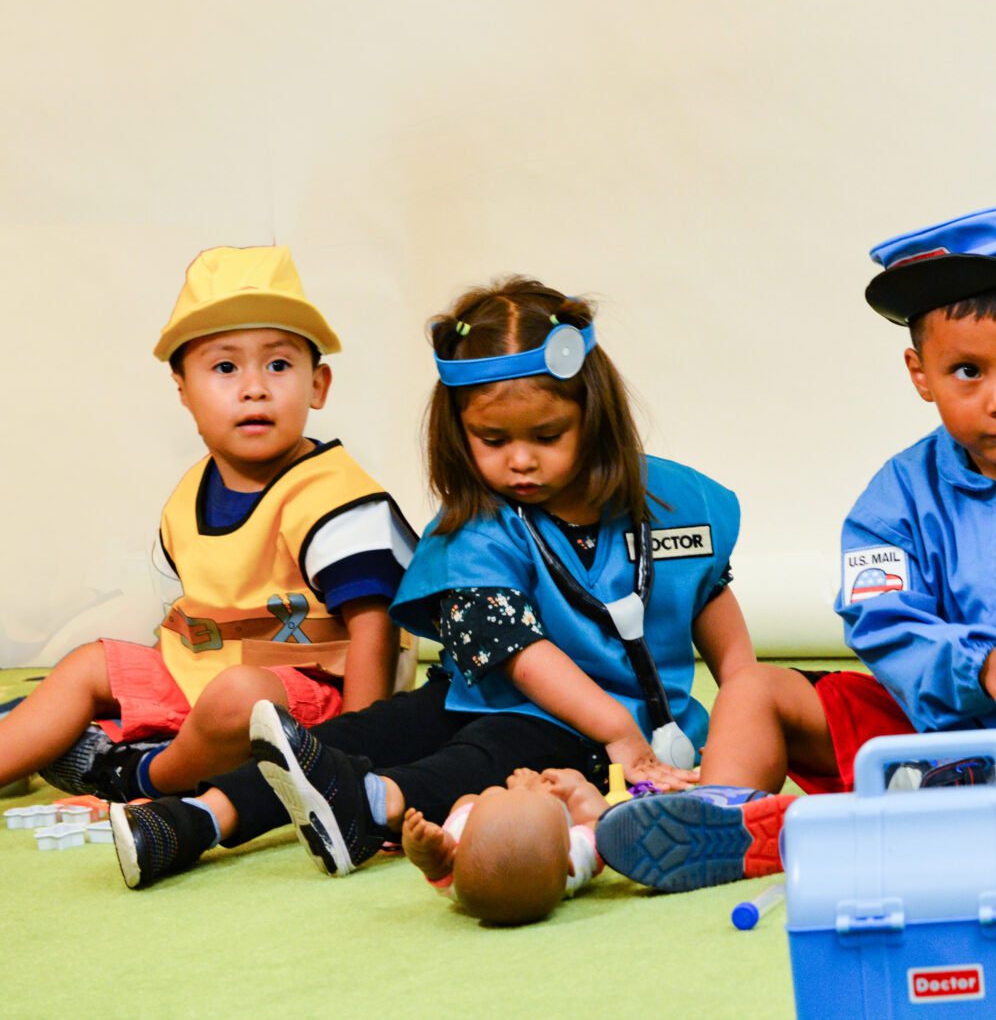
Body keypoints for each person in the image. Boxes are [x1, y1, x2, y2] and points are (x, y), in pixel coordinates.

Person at [597, 201, 996, 893]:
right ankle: (723, 817)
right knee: (754, 687)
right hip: (920, 732)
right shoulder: (893, 499)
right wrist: (980, 664)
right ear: (920, 373)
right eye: (968, 371)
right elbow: (881, 622)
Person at [110, 278, 748, 887]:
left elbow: (714, 605)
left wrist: (732, 718)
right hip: (492, 692)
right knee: (361, 734)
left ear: (595, 414)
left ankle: (369, 804)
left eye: (548, 436)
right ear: (457, 430)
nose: (520, 460)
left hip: (599, 733)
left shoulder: (676, 500)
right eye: (492, 439)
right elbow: (517, 657)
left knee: (484, 754)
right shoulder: (473, 529)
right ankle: (197, 817)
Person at [5, 245, 412, 804]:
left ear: (318, 385)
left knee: (241, 700)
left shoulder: (335, 497)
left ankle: (139, 776)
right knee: (85, 664)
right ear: (184, 392)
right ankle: (29, 749)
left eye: (279, 364)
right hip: (199, 675)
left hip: (313, 701)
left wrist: (357, 755)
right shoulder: (191, 493)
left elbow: (373, 628)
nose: (254, 387)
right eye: (225, 367)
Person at [401, 766, 610, 925]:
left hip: (464, 840)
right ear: (568, 862)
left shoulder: (462, 876)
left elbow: (445, 871)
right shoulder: (571, 864)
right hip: (480, 830)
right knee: (569, 799)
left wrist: (429, 854)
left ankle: (436, 853)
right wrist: (576, 790)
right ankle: (516, 796)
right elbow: (602, 825)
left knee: (469, 800)